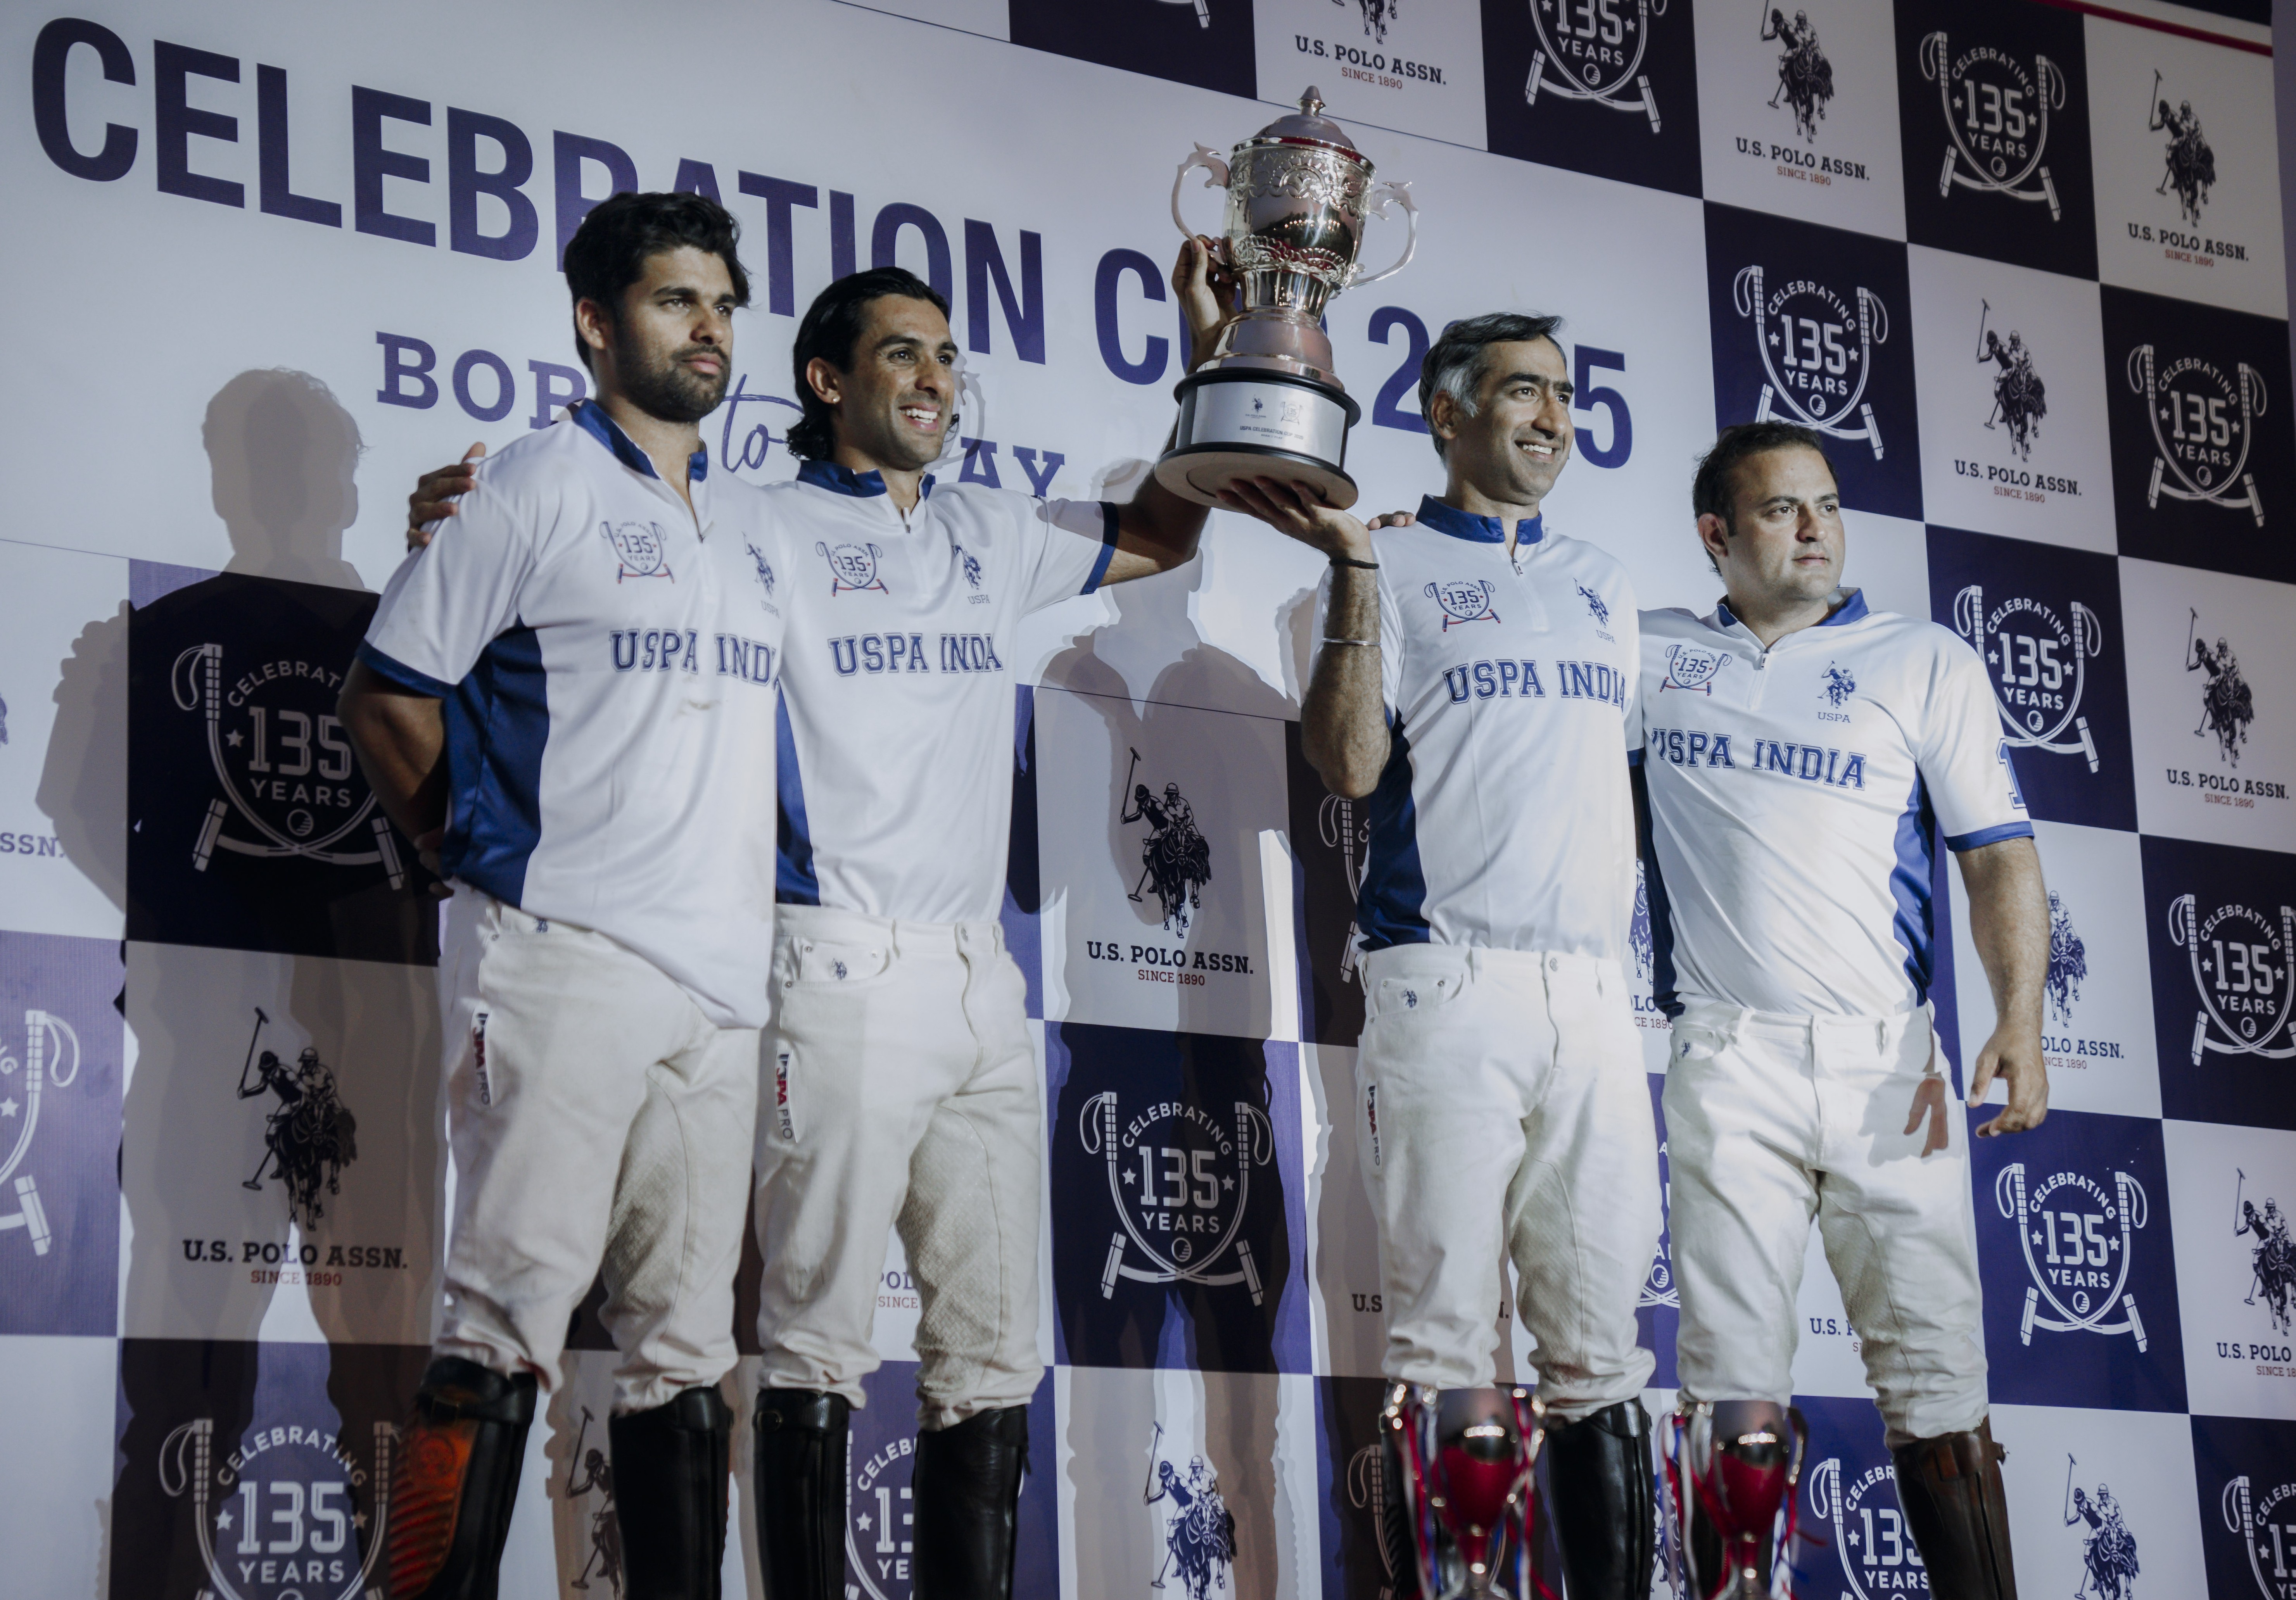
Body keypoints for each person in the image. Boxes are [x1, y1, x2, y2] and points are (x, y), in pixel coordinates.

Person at [404, 245, 1229, 1599]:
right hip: (827, 959)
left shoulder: (990, 529)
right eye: (902, 352)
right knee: (809, 1350)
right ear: (824, 381)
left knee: (992, 1355)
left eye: (947, 355)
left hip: (980, 980)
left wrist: (1212, 360)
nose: (935, 377)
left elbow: (1166, 531)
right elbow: (584, 557)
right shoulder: (751, 523)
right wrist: (452, 513)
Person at [341, 190, 787, 1599]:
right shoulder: (530, 483)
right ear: (596, 323)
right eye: (675, 300)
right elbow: (386, 694)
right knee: (501, 1329)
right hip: (563, 958)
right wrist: (468, 851)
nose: (708, 328)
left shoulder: (749, 523)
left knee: (685, 1356)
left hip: (721, 993)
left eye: (721, 304)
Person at [1221, 312, 1663, 1600]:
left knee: (1601, 1359)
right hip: (1446, 983)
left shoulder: (1606, 582)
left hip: (1594, 997)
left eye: (1563, 396)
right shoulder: (1376, 566)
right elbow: (1349, 766)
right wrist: (1359, 573)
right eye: (1522, 392)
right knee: (1447, 1345)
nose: (1552, 419)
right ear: (1446, 413)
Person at [1635, 421, 2048, 1599]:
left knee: (1939, 1382)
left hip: (1890, 1068)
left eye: (1826, 504)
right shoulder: (1642, 653)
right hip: (1727, 1060)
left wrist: (2020, 1020)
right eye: (1782, 509)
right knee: (1729, 1387)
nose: (1815, 528)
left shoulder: (1923, 659)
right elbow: (1523, 651)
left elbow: (1997, 855)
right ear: (1715, 534)